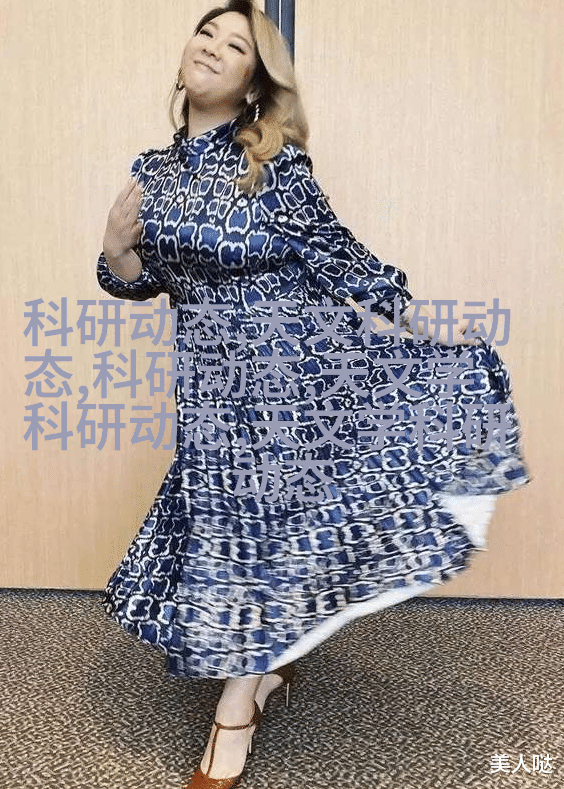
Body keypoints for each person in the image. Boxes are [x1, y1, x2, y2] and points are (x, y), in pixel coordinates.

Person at [97, 1, 530, 786]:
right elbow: (142, 280)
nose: (212, 48)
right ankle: (265, 670)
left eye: (236, 46)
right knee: (231, 528)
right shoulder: (152, 172)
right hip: (208, 383)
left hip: (288, 374)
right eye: (206, 33)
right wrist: (116, 248)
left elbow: (344, 260)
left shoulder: (272, 167)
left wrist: (430, 328)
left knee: (261, 529)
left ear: (253, 82)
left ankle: (235, 712)